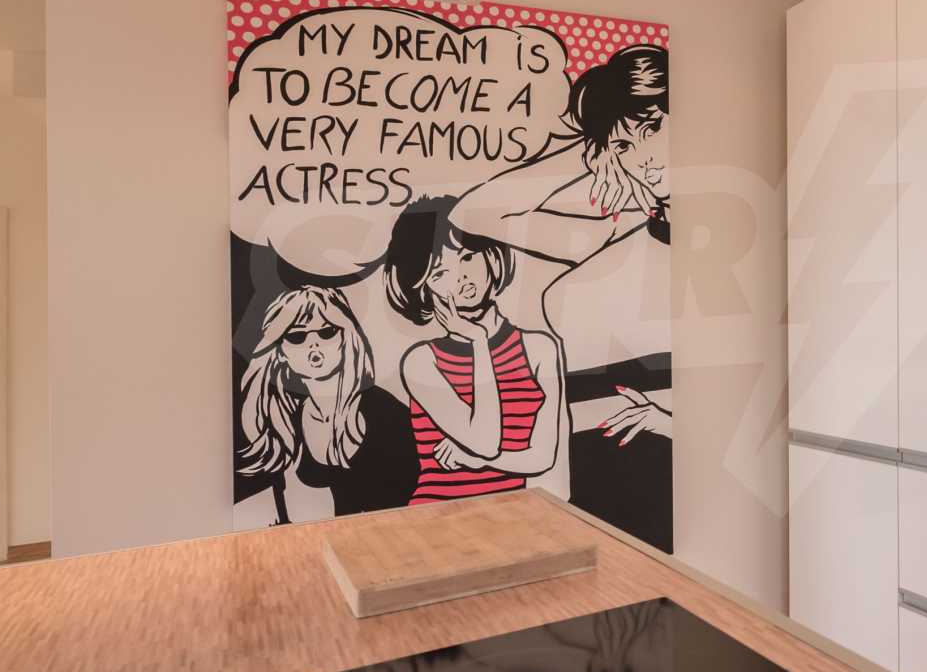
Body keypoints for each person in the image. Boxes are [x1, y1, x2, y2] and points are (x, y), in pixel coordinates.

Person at [448, 46, 674, 547]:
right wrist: (594, 141)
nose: (644, 158)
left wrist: (673, 423)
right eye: (625, 145)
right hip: (597, 488)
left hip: (675, 488)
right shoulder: (612, 238)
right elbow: (474, 211)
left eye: (654, 128)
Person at [379, 195, 565, 501]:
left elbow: (543, 457)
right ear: (424, 289)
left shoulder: (539, 349)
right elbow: (484, 441)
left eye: (466, 257)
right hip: (437, 515)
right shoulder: (422, 361)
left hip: (512, 515)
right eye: (440, 273)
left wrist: (478, 461)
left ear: (491, 255)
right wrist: (478, 341)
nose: (461, 277)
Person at [235, 285, 416, 522]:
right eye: (297, 336)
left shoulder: (385, 412)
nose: (314, 344)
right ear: (279, 352)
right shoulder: (286, 424)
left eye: (327, 332)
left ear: (346, 338)